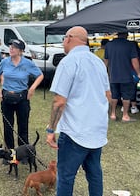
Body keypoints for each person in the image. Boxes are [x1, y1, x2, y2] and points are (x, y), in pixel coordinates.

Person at [46, 26, 111, 196]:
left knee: (66, 177)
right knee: (95, 174)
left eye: (64, 39)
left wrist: (51, 129)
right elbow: (108, 95)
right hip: (96, 129)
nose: (63, 42)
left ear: (69, 38)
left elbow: (59, 101)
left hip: (75, 131)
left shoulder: (68, 62)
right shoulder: (98, 61)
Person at [0, 39, 44, 149]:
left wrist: (32, 89)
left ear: (21, 51)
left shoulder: (27, 63)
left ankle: (24, 151)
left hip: (22, 97)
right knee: (8, 126)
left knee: (23, 126)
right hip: (7, 97)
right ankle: (10, 152)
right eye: (10, 46)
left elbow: (40, 75)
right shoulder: (5, 62)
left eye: (14, 47)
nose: (11, 48)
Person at [104, 31, 140, 122]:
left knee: (114, 95)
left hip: (113, 75)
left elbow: (106, 60)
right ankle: (125, 115)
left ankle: (113, 114)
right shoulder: (130, 45)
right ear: (126, 35)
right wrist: (138, 74)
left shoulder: (109, 45)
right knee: (126, 96)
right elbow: (134, 61)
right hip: (126, 75)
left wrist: (104, 72)